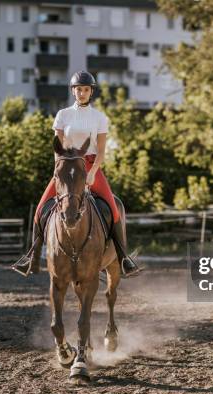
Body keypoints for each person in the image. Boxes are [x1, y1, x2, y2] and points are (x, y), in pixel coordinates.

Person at [13, 70, 140, 277]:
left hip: (90, 166)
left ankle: (124, 258)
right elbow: (58, 148)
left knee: (114, 210)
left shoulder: (99, 117)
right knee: (40, 209)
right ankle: (32, 258)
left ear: (91, 92)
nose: (82, 93)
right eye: (78, 89)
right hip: (65, 167)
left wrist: (92, 173)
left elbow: (100, 151)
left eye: (86, 90)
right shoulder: (63, 115)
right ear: (73, 91)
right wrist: (59, 171)